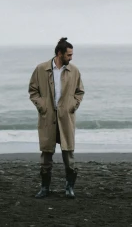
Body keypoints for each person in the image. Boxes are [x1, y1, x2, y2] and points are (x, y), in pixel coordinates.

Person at [28, 37, 85, 199]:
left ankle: (69, 188)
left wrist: (72, 105)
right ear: (59, 53)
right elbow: (33, 90)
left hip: (66, 117)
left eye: (72, 54)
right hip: (48, 117)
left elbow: (79, 92)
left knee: (69, 153)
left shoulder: (74, 71)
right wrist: (42, 106)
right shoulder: (41, 69)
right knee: (46, 153)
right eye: (69, 55)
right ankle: (45, 188)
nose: (71, 57)